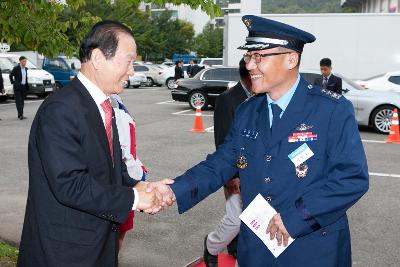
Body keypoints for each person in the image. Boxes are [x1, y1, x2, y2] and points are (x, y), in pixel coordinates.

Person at [151, 15, 369, 266]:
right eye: (248, 56)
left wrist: (298, 217)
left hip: (313, 248)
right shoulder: (248, 111)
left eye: (259, 57)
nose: (250, 65)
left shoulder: (330, 109)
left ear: (291, 58)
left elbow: (351, 177)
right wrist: (173, 190)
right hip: (257, 250)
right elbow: (221, 162)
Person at [17, 20, 174, 267]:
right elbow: (70, 184)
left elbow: (111, 172)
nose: (132, 71)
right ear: (99, 58)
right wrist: (134, 199)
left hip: (97, 247)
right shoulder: (61, 109)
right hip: (64, 254)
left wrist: (143, 187)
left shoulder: (103, 106)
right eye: (129, 60)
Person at [203, 58, 252, 267]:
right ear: (247, 75)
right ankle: (211, 246)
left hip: (258, 173)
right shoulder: (228, 99)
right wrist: (230, 177)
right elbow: (223, 140)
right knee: (236, 219)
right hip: (236, 173)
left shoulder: (261, 96)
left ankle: (237, 249)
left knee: (252, 221)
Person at [110, 94, 148, 251]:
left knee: (118, 231)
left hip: (126, 177)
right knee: (115, 233)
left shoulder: (115, 101)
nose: (131, 71)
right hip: (119, 181)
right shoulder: (110, 105)